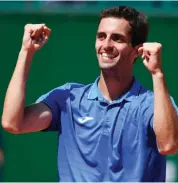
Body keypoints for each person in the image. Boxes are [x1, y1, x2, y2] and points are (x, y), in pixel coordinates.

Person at [2, 5, 178, 182]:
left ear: (136, 51)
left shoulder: (151, 104)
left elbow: (169, 145)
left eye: (117, 38)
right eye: (101, 36)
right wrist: (26, 52)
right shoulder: (67, 98)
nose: (106, 45)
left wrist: (157, 73)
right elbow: (13, 123)